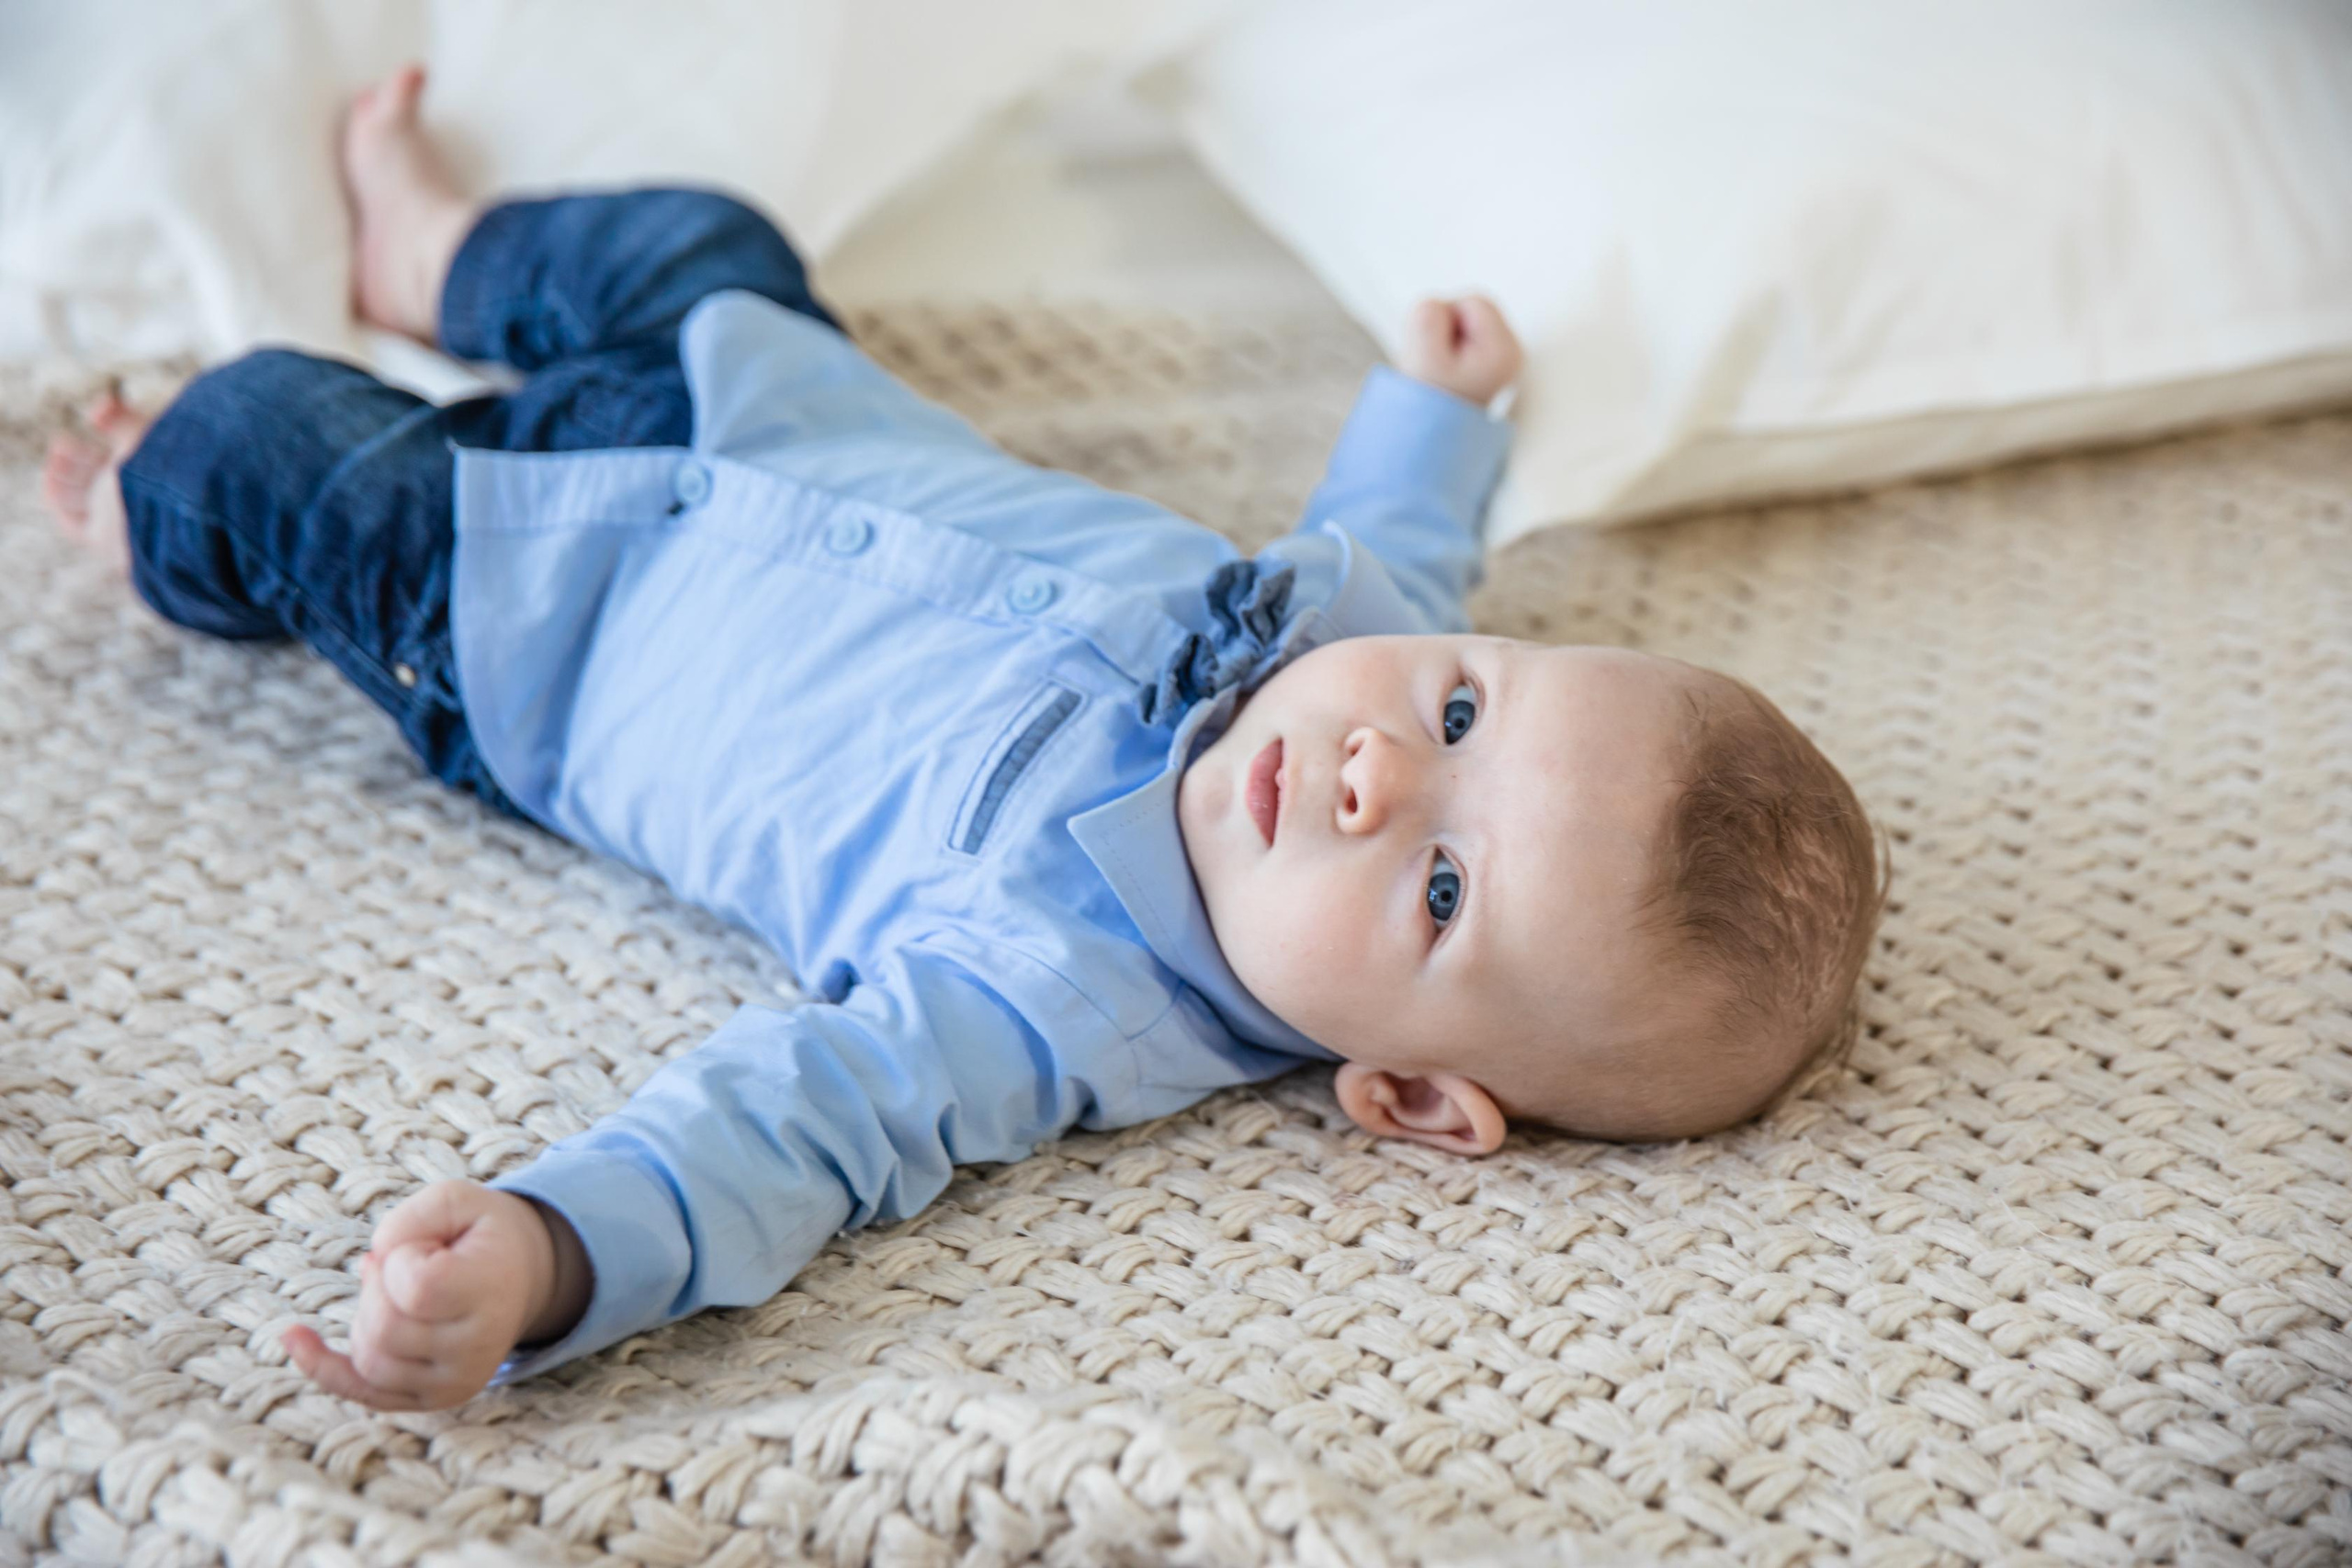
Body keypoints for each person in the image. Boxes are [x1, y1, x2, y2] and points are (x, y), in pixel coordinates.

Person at [41, 66, 1885, 1412]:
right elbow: (1406, 544)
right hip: (750, 387)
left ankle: (146, 516)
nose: (1375, 768)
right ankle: (436, 249)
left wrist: (548, 1246)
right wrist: (1432, 406)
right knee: (699, 243)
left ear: (1405, 1093)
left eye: (1437, 884)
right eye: (1464, 709)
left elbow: (794, 1131)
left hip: (514, 611)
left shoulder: (1050, 993)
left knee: (262, 448)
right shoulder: (1352, 637)